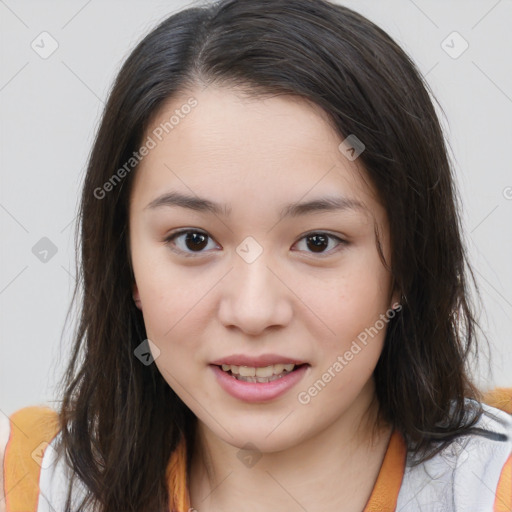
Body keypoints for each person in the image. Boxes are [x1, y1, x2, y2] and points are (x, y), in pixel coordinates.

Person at [1, 1, 511, 511]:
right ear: (125, 262)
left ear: (406, 263)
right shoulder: (28, 480)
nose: (252, 311)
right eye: (194, 240)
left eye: (318, 242)